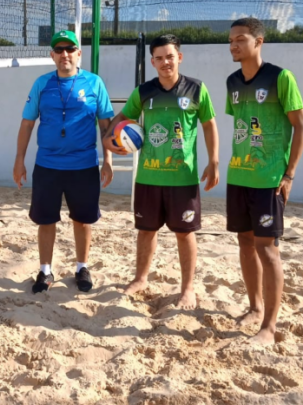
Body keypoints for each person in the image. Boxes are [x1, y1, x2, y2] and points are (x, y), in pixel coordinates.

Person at [102, 34, 219, 309]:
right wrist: (108, 138)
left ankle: (188, 288)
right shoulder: (144, 92)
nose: (165, 62)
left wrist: (214, 161)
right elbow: (122, 118)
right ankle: (140, 278)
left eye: (170, 56)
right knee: (146, 230)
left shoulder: (196, 89)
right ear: (152, 61)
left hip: (183, 177)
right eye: (159, 58)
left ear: (179, 57)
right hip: (149, 176)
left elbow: (209, 125)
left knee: (185, 233)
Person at [13, 30, 114, 293]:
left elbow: (106, 125)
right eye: (59, 50)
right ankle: (45, 271)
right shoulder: (42, 84)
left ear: (79, 53)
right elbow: (27, 124)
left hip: (84, 165)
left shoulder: (94, 83)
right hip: (47, 165)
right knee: (46, 220)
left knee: (82, 220)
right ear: (52, 55)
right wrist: (19, 159)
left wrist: (108, 160)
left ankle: (82, 267)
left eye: (70, 49)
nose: (64, 54)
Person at [226, 17, 303, 345]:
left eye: (241, 39)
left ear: (259, 42)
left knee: (267, 248)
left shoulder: (280, 77)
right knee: (244, 241)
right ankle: (255, 308)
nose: (234, 45)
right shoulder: (232, 81)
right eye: (230, 40)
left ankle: (269, 328)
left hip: (269, 179)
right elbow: (243, 127)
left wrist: (289, 174)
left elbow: (299, 126)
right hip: (238, 174)